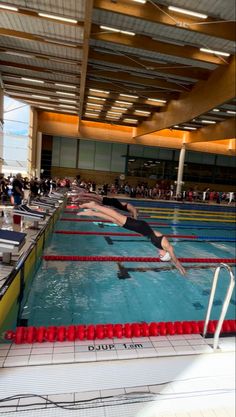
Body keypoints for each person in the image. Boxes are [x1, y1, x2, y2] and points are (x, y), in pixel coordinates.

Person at [77, 201, 186, 275]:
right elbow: (174, 258)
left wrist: (176, 265)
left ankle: (93, 212)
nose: (159, 255)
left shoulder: (160, 246)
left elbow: (171, 259)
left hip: (139, 229)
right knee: (116, 215)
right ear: (165, 254)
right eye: (161, 256)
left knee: (116, 221)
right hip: (140, 227)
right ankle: (94, 206)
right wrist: (179, 267)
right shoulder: (166, 246)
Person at [72, 188, 138, 219]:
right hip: (113, 202)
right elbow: (134, 213)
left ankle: (80, 196)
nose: (133, 215)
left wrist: (132, 216)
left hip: (112, 203)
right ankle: (81, 193)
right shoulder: (133, 208)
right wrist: (135, 218)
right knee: (94, 197)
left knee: (93, 199)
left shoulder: (130, 211)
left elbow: (132, 215)